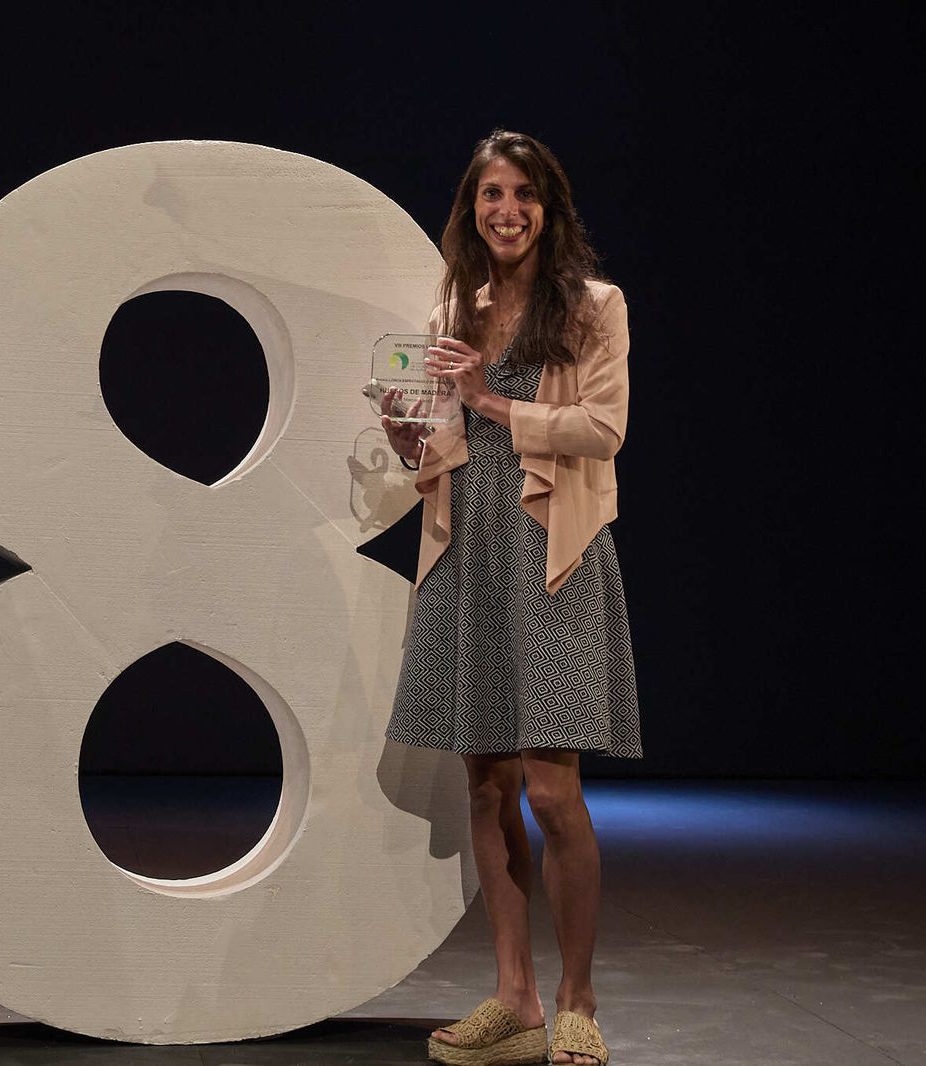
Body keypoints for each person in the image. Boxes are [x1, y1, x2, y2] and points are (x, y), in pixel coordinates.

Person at [383, 130, 637, 1066]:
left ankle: (578, 998)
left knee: (551, 787)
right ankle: (515, 996)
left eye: (523, 195)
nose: (506, 211)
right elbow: (440, 448)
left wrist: (490, 402)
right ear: (471, 209)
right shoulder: (457, 306)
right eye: (490, 195)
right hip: (469, 552)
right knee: (484, 786)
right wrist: (413, 434)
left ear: (550, 209)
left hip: (550, 554)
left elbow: (604, 430)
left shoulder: (595, 307)